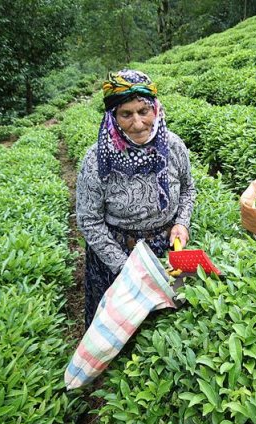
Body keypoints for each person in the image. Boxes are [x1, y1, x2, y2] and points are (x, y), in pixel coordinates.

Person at [76, 69, 196, 327]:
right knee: (119, 327)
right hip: (117, 253)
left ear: (156, 109)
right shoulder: (96, 159)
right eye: (126, 114)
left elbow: (188, 189)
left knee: (166, 323)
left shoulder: (173, 146)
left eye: (144, 111)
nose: (138, 123)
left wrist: (182, 223)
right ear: (113, 117)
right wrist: (124, 267)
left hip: (167, 249)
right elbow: (89, 220)